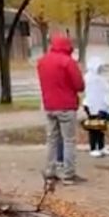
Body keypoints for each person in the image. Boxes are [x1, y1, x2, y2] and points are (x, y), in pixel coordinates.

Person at [37, 34, 85, 184]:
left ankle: (50, 171)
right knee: (68, 140)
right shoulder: (68, 62)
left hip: (49, 105)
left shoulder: (42, 61)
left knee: (52, 139)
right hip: (66, 105)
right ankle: (68, 174)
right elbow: (79, 85)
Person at [82, 57, 109, 157]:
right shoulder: (89, 78)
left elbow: (105, 93)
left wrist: (108, 105)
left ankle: (101, 146)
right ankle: (93, 147)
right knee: (94, 128)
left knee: (101, 127)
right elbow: (91, 94)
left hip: (101, 106)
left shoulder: (100, 78)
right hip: (92, 106)